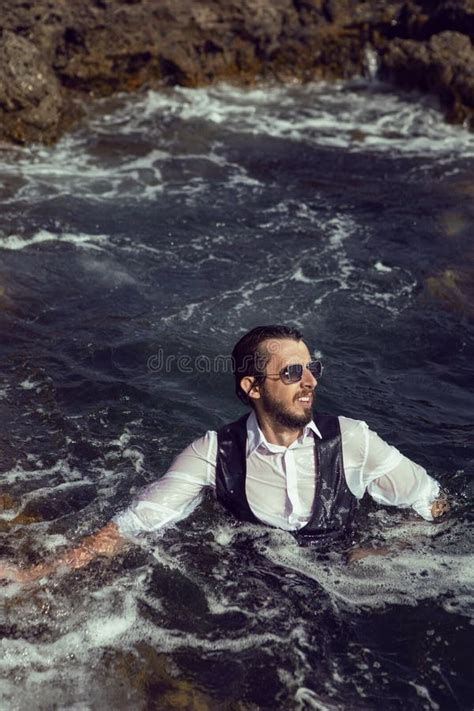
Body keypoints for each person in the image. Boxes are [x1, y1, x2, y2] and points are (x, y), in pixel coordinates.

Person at [0, 325, 449, 582]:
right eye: (293, 372)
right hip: (257, 600)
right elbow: (131, 526)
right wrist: (35, 573)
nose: (310, 381)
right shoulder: (211, 454)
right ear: (252, 388)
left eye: (313, 368)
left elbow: (433, 502)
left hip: (349, 588)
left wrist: (384, 549)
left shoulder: (352, 440)